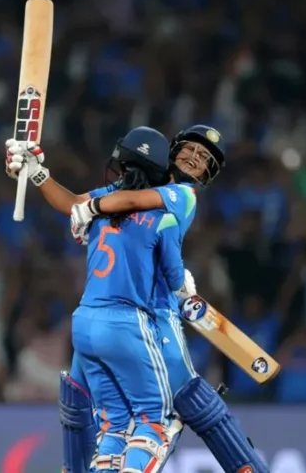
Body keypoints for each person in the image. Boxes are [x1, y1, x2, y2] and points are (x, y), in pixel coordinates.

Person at [6, 125, 268, 473]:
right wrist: (38, 173)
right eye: (191, 149)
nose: (195, 157)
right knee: (155, 412)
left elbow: (118, 203)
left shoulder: (180, 194)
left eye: (204, 157)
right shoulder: (128, 191)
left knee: (125, 415)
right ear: (171, 151)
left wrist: (91, 208)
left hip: (119, 315)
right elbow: (73, 203)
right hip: (138, 318)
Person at [68, 127, 187, 472]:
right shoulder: (165, 216)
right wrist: (186, 286)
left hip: (84, 322)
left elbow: (72, 206)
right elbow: (174, 278)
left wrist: (37, 174)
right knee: (155, 420)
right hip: (126, 323)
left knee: (113, 425)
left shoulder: (98, 214)